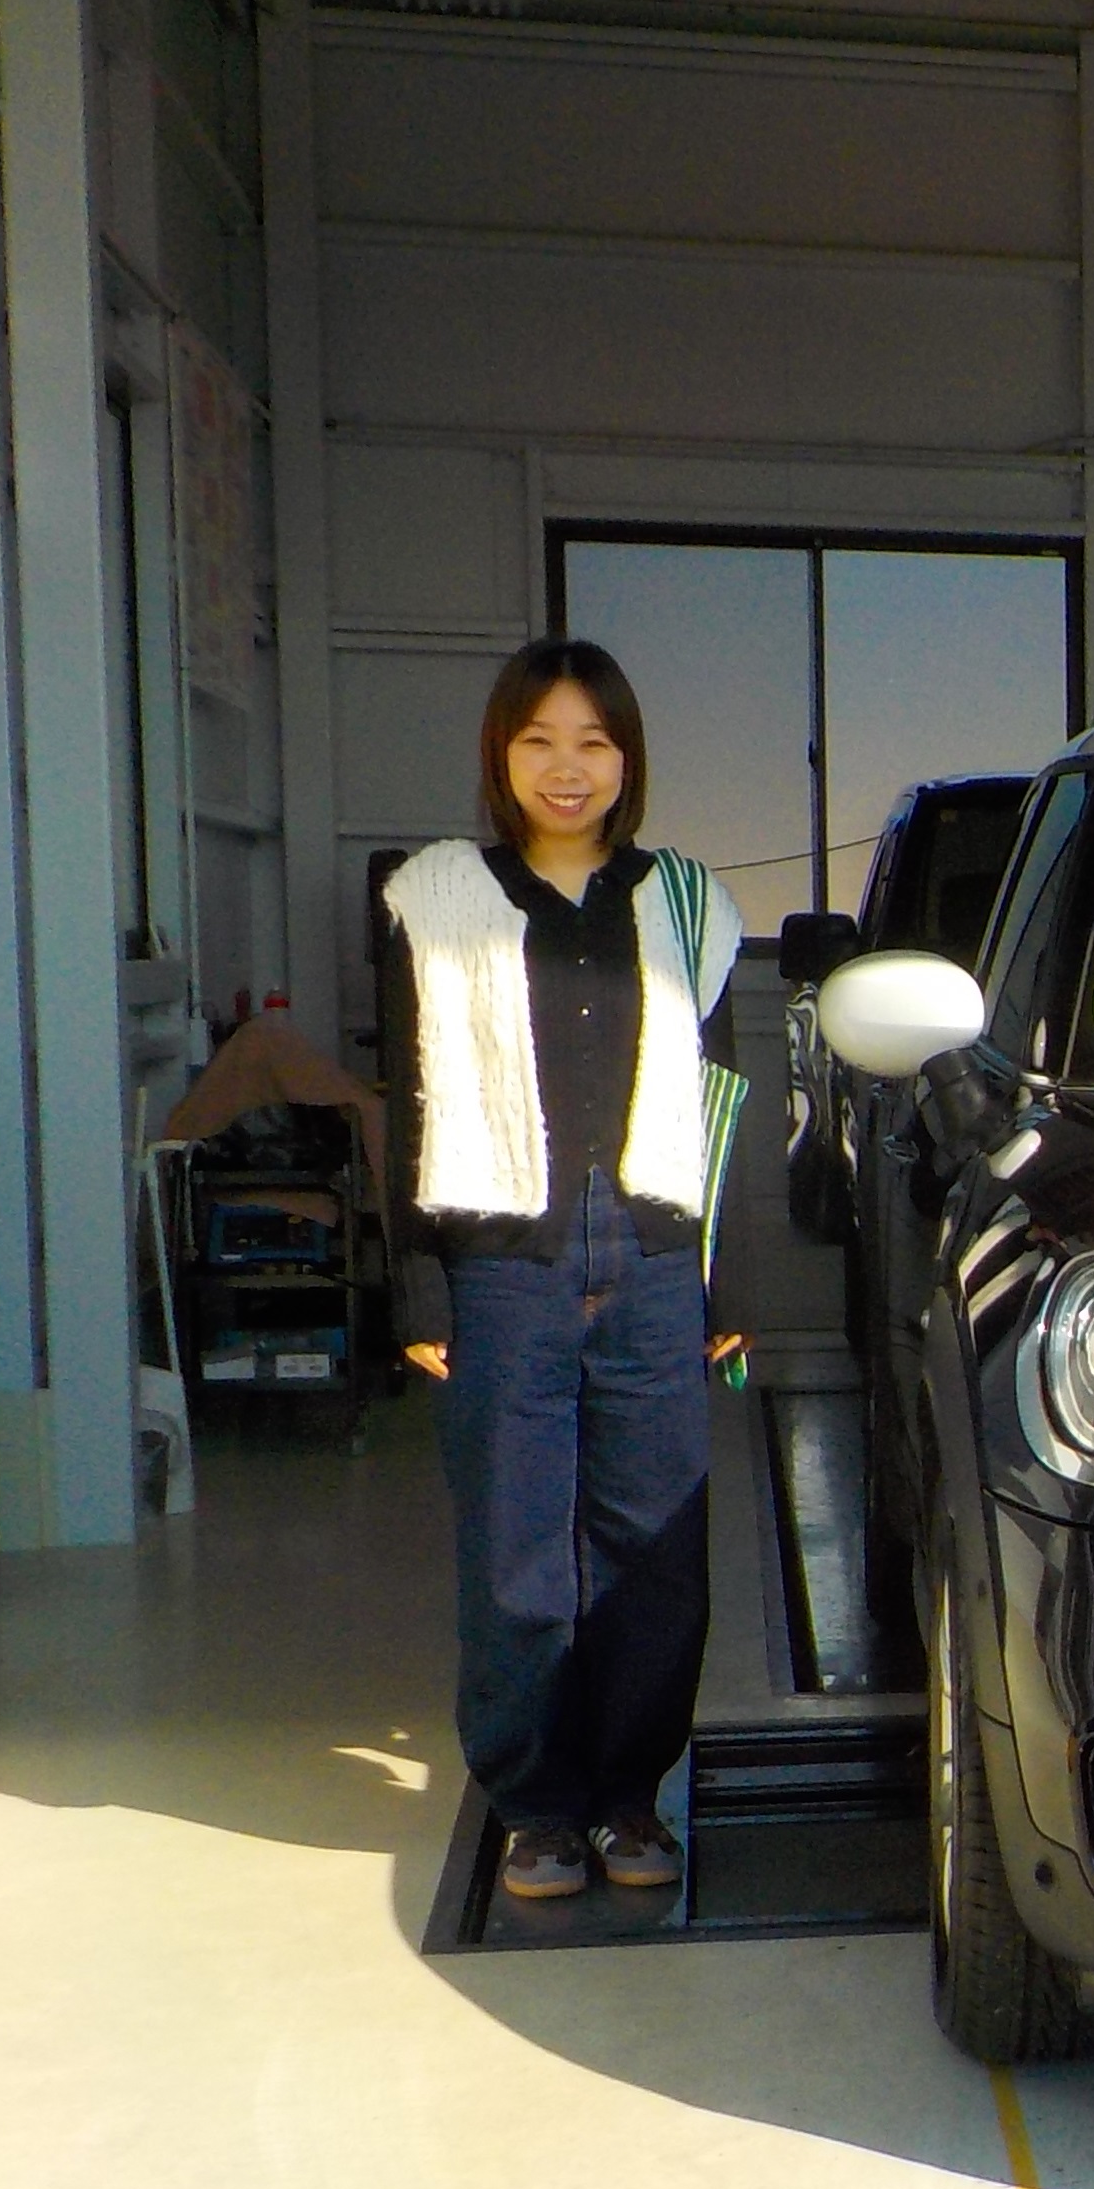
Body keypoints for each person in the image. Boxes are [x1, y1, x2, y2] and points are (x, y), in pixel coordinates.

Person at [382, 641, 746, 1900]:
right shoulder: (438, 895)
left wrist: (730, 1286)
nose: (567, 767)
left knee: (655, 1550)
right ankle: (535, 1807)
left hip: (654, 1255)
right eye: (539, 739)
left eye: (593, 741)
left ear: (627, 758)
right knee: (517, 1550)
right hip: (504, 1266)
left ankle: (630, 1796)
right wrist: (420, 1284)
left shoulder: (685, 901)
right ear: (502, 753)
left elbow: (725, 1095)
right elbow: (408, 1089)